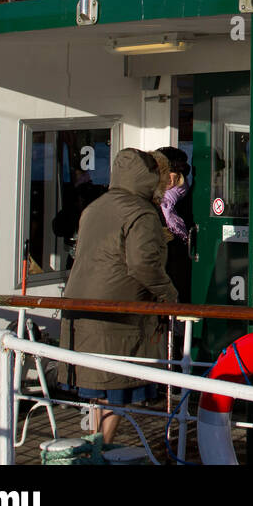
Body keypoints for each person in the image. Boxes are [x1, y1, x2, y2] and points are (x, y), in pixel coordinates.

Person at [61, 149, 178, 444]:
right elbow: (142, 264)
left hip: (80, 309)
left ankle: (93, 446)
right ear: (150, 178)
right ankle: (99, 449)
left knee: (99, 390)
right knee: (116, 388)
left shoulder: (96, 206)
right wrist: (169, 294)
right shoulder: (141, 212)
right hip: (117, 317)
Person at [154, 146, 194, 302]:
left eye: (175, 174)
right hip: (163, 280)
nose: (169, 179)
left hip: (183, 275)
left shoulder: (187, 199)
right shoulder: (152, 202)